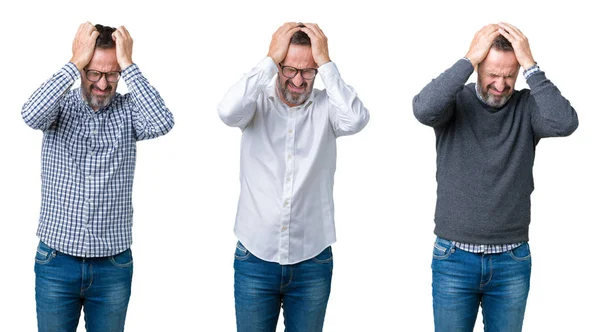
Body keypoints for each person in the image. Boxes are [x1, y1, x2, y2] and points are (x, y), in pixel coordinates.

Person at [413, 22, 578, 331]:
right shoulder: (455, 103)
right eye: (492, 74)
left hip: (511, 260)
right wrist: (467, 59)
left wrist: (531, 64)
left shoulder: (527, 107)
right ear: (477, 68)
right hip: (453, 257)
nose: (501, 85)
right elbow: (424, 109)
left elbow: (565, 122)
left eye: (509, 76)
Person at [22, 22, 174, 332]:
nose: (103, 84)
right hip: (56, 261)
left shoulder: (129, 111)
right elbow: (30, 114)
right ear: (81, 71)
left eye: (112, 74)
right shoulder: (59, 106)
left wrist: (129, 64)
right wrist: (75, 61)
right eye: (93, 73)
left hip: (113, 266)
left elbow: (163, 122)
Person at [218, 22, 369, 331]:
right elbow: (226, 111)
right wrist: (270, 59)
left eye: (309, 71)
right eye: (289, 69)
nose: (299, 80)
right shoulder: (255, 102)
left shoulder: (329, 107)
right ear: (278, 66)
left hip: (312, 260)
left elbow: (356, 119)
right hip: (255, 258)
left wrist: (327, 63)